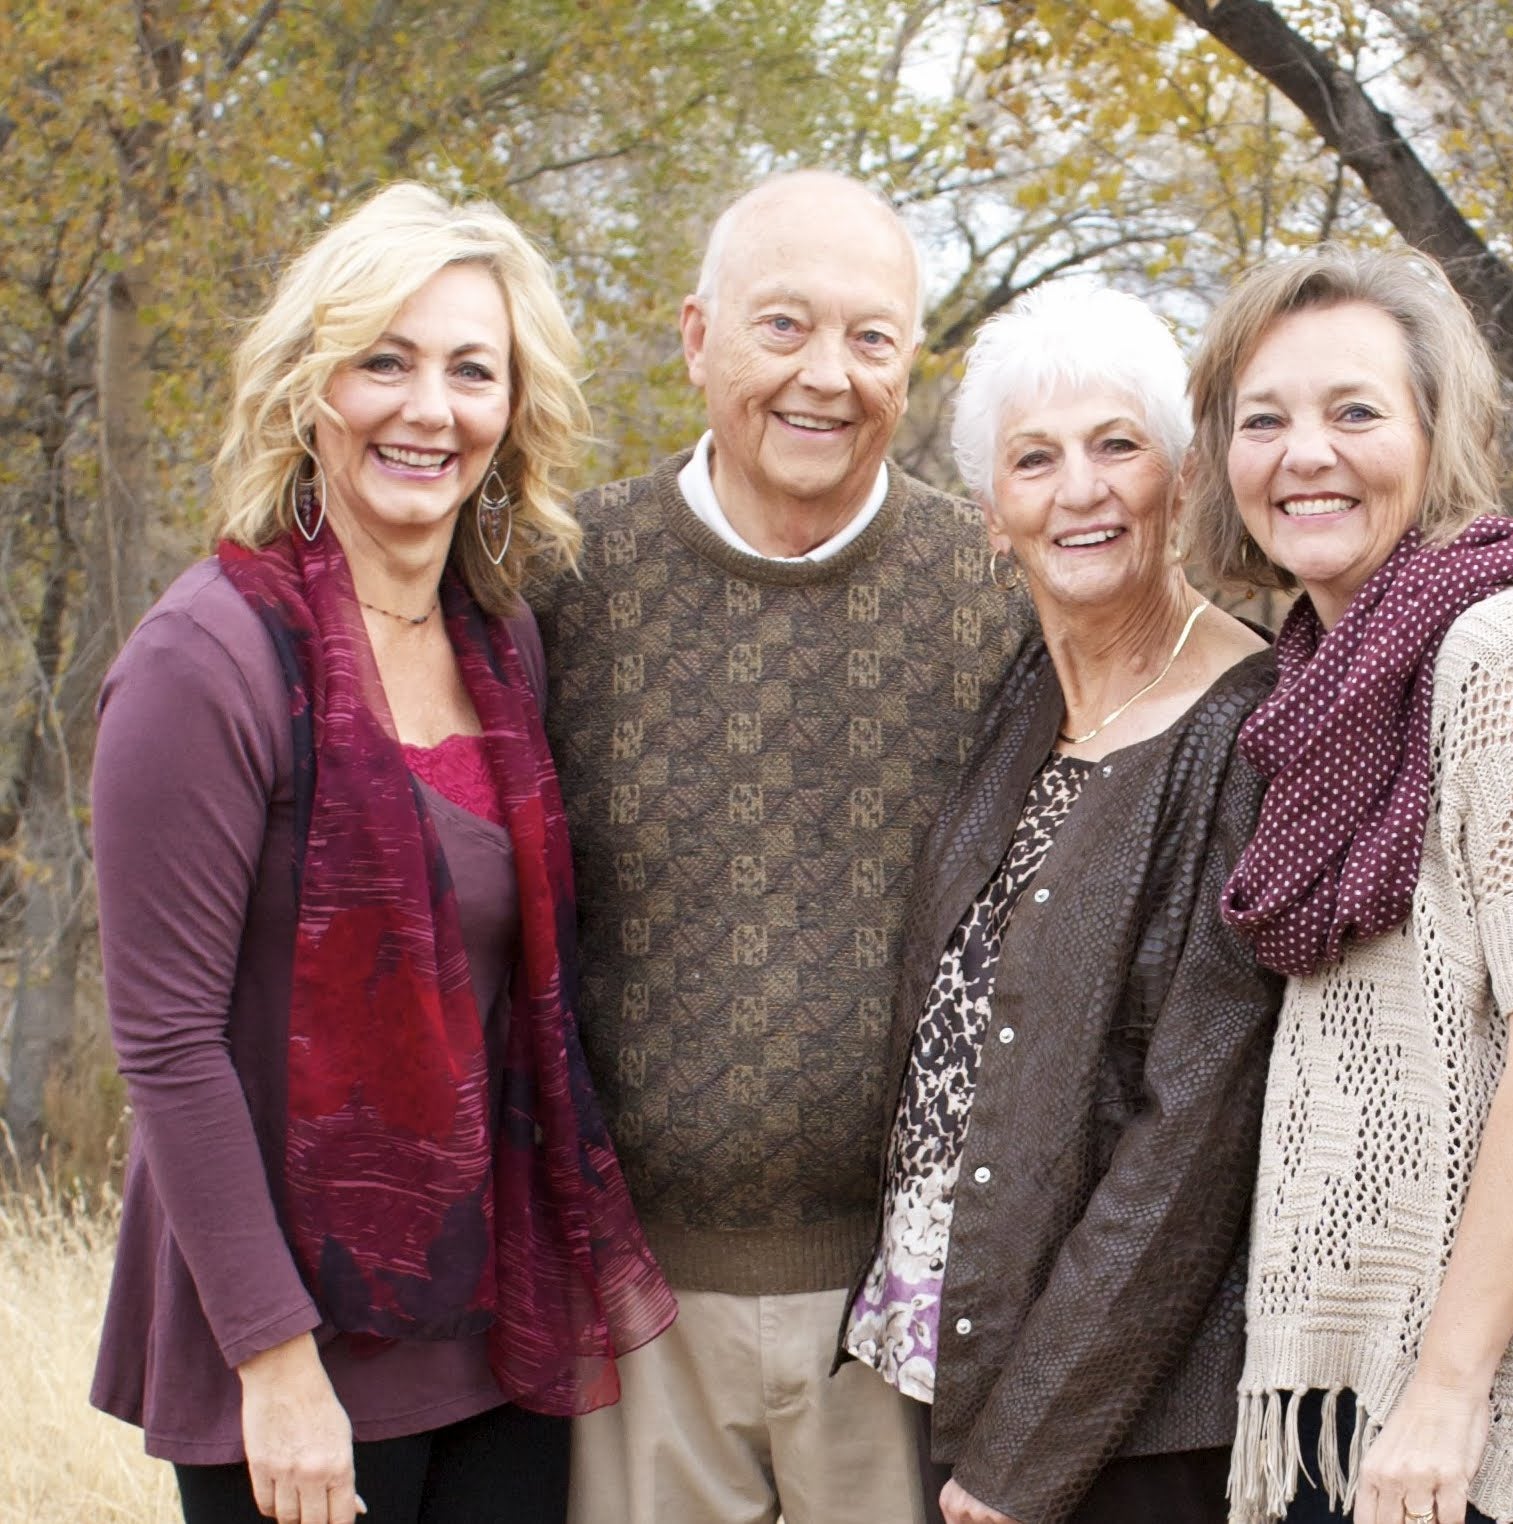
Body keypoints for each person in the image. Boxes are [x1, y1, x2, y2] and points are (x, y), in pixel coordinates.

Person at [89, 183, 676, 1524]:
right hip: (293, 1341)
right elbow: (169, 1044)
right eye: (384, 361)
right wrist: (275, 1367)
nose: (430, 409)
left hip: (494, 1321)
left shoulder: (501, 644)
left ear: (513, 410)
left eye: (473, 371)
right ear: (311, 386)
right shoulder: (209, 663)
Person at [532, 169, 1029, 1524]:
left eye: (872, 339)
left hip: (910, 1312)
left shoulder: (1003, 593)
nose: (828, 376)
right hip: (635, 1315)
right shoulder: (562, 579)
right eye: (783, 327)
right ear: (696, 339)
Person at [1185, 246, 1513, 1524]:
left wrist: (1446, 1391)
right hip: (1342, 1390)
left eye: (1354, 412)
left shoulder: (1509, 648)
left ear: (1433, 431)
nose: (1305, 455)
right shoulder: (1319, 675)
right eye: (1263, 420)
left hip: (1478, 1422)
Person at [839, 280, 1284, 1524]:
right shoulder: (1028, 694)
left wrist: (1026, 1450)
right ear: (992, 513)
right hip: (961, 1354)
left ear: (1181, 478)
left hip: (1128, 1430)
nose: (1078, 491)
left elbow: (1189, 1137)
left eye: (1115, 446)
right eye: (1034, 460)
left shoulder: (1240, 730)